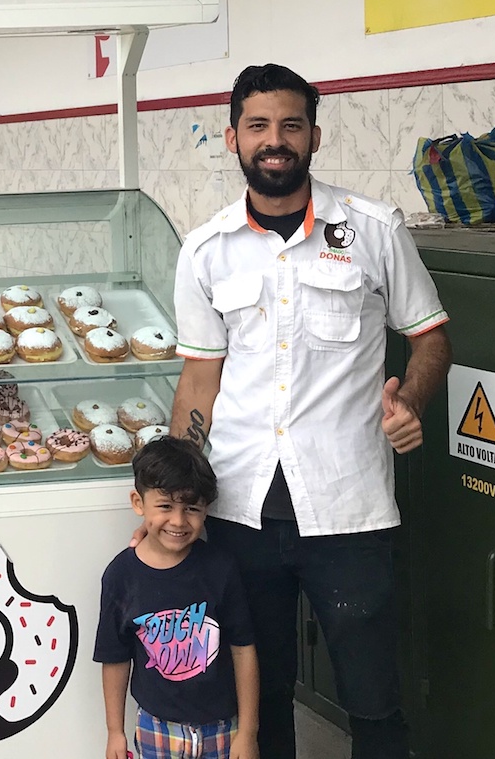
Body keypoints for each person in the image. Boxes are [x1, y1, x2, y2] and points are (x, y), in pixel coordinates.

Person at [165, 64, 451, 759]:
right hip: (239, 508)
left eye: (291, 125)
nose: (275, 140)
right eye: (259, 126)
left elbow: (431, 337)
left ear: (314, 135)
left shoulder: (375, 229)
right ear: (233, 137)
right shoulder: (206, 250)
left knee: (373, 695)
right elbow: (200, 379)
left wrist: (411, 398)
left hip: (347, 507)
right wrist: (174, 495)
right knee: (257, 700)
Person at [99, 436, 258, 759]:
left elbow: (243, 650)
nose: (178, 521)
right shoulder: (120, 576)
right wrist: (115, 732)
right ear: (138, 502)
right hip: (156, 726)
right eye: (165, 506)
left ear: (206, 510)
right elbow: (114, 659)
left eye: (191, 508)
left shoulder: (221, 569)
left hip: (223, 727)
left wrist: (248, 732)